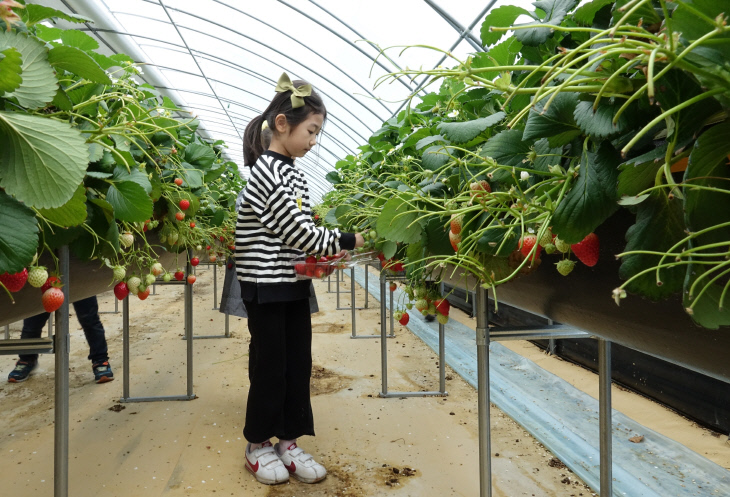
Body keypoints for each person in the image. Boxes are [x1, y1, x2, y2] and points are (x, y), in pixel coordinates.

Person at [235, 72, 364, 486]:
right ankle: (257, 445)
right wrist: (346, 239)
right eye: (312, 130)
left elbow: (297, 232)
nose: (314, 140)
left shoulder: (291, 172)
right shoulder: (266, 172)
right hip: (264, 285)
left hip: (289, 283)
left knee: (297, 363)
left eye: (318, 132)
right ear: (282, 125)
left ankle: (288, 442)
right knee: (270, 365)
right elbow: (297, 232)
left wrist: (317, 259)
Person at [7, 295, 114, 384]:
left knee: (90, 319)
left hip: (79, 273)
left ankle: (100, 360)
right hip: (46, 276)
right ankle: (27, 359)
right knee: (32, 322)